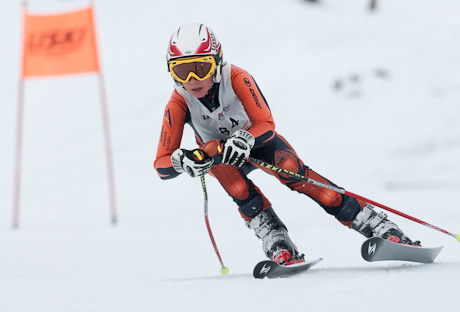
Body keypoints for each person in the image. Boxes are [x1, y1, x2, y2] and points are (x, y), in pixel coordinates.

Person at [154, 23, 419, 265]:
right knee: (234, 183)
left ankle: (376, 225)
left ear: (217, 62)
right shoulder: (178, 102)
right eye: (181, 70)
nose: (192, 79)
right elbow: (161, 164)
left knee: (293, 171)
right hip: (222, 157)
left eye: (201, 68)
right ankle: (276, 240)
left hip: (257, 142)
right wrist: (181, 161)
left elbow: (266, 124)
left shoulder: (236, 77)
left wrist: (245, 138)